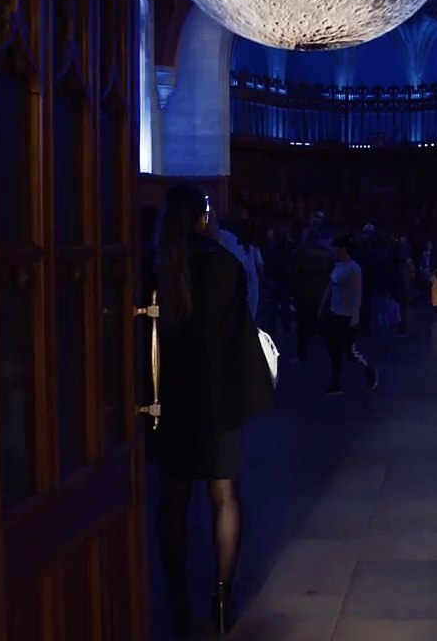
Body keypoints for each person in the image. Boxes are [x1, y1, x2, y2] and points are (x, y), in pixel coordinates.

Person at [153, 186, 274, 637]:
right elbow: (242, 335)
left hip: (169, 402)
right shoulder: (226, 266)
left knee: (173, 501)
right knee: (224, 498)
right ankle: (222, 602)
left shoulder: (157, 268)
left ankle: (176, 602)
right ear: (204, 218)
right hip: (219, 400)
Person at [321, 235, 379, 394]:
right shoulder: (339, 266)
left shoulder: (353, 269)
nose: (332, 251)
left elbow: (356, 294)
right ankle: (335, 383)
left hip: (347, 316)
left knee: (349, 351)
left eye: (335, 248)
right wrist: (323, 306)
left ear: (343, 249)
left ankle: (367, 368)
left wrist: (355, 316)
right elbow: (330, 287)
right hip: (335, 312)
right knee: (334, 350)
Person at [289, 227, 335, 362]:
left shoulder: (301, 252)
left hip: (304, 294)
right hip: (322, 294)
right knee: (323, 326)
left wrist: (293, 290)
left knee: (303, 327)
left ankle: (301, 355)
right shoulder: (327, 253)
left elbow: (294, 273)